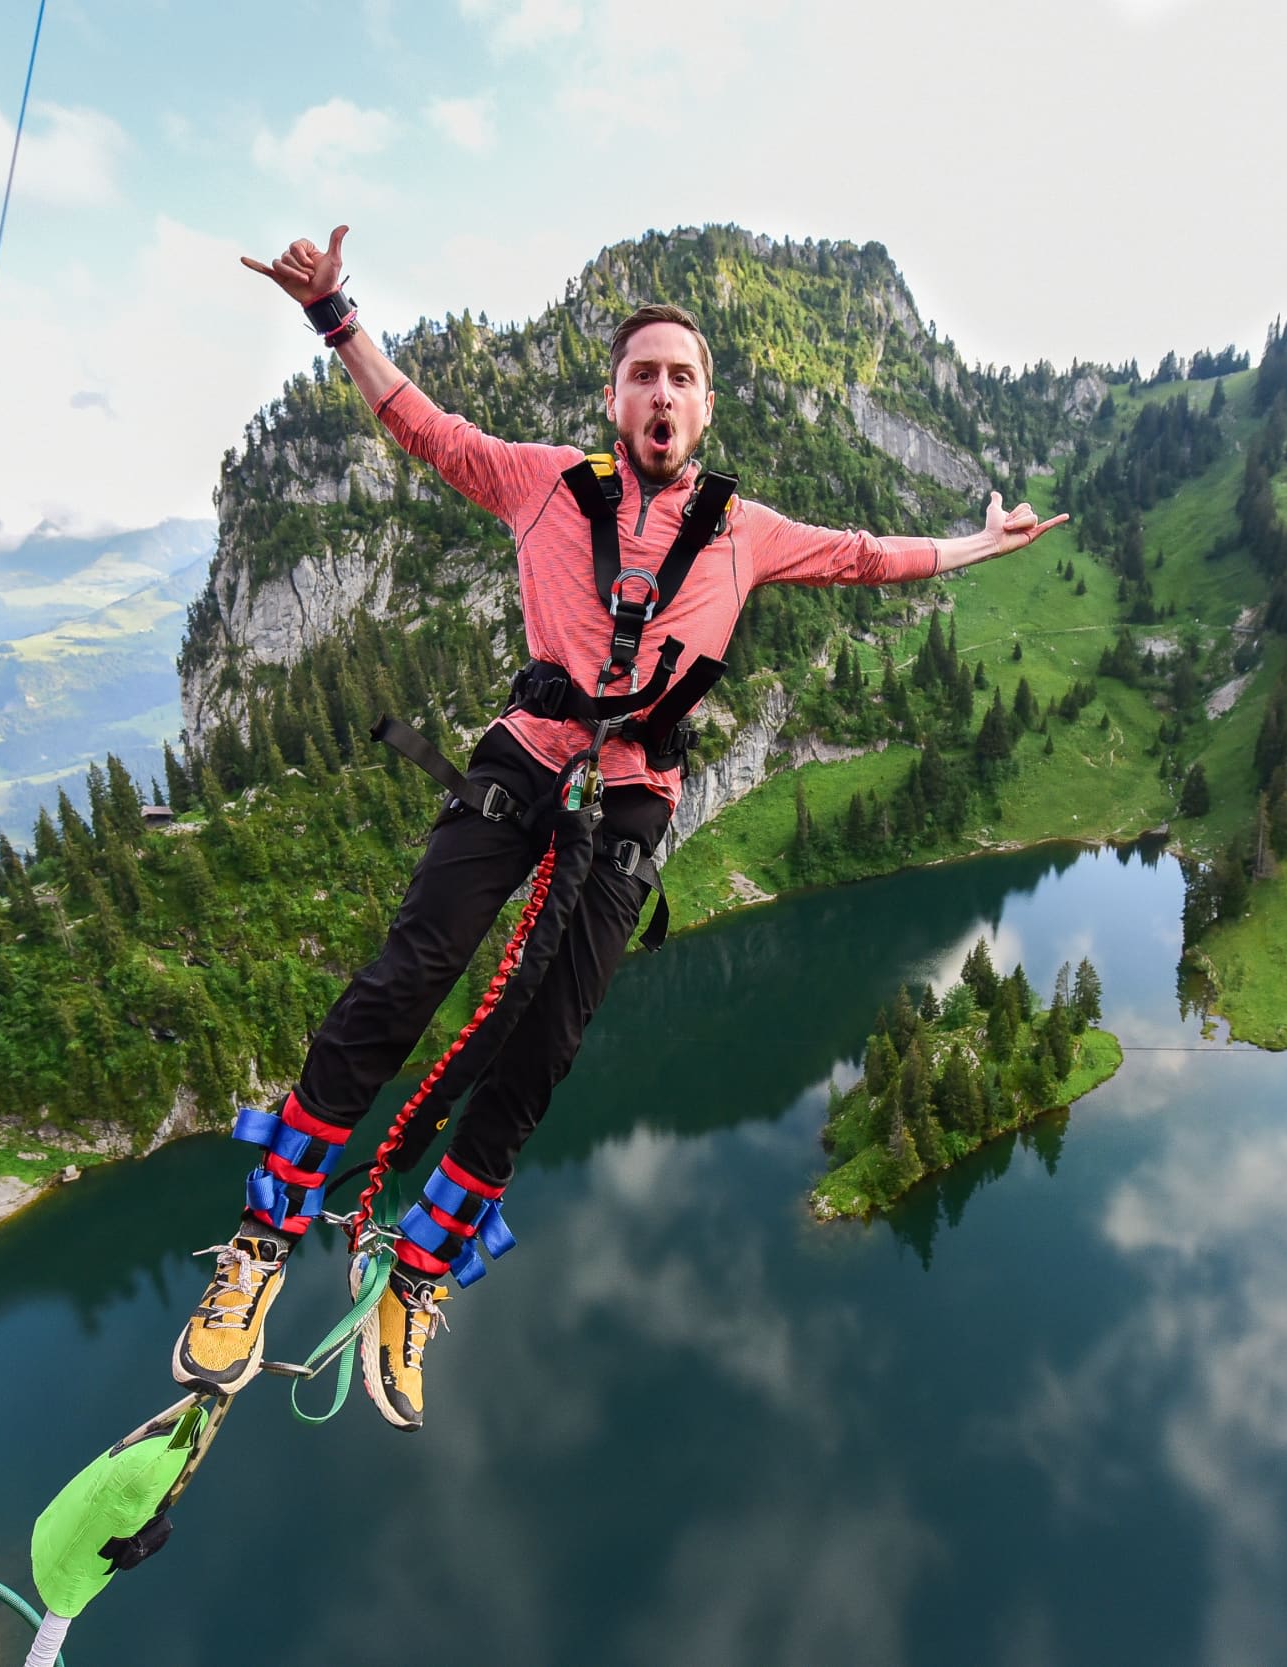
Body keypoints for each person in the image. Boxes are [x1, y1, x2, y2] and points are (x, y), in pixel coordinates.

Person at [174, 225, 1065, 1430]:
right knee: (407, 977)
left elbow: (869, 558)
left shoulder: (747, 533)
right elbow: (421, 425)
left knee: (545, 1045)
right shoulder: (541, 479)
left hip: (635, 796)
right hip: (527, 759)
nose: (660, 391)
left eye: (680, 377)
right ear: (614, 399)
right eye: (642, 372)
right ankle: (263, 1240)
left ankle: (418, 1274)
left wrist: (982, 540)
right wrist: (335, 316)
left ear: (703, 409)